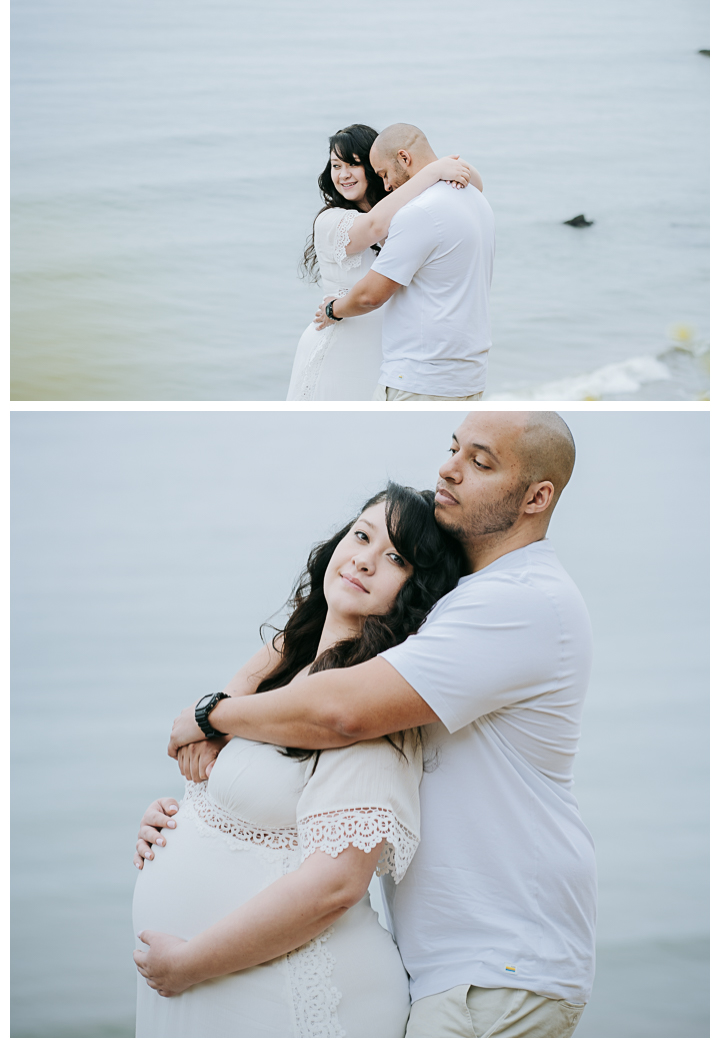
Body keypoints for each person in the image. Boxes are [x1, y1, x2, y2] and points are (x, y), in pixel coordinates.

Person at [157, 411, 597, 1038]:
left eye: (480, 461)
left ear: (537, 497)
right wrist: (197, 813)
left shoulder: (519, 602)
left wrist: (211, 716)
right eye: (452, 448)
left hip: (498, 964)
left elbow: (344, 712)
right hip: (452, 965)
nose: (448, 468)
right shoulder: (469, 594)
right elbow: (329, 635)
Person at [132, 484, 465, 1037]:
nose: (363, 558)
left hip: (285, 991)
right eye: (361, 536)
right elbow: (256, 804)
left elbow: (335, 885)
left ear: (416, 589)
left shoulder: (366, 713)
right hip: (220, 981)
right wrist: (180, 823)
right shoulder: (292, 672)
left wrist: (191, 964)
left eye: (395, 558)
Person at [286, 124, 482, 400]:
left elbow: (476, 183)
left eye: (353, 165)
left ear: (374, 167)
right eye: (335, 165)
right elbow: (373, 227)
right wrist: (433, 172)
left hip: (387, 355)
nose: (343, 175)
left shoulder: (403, 212)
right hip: (341, 346)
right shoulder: (330, 221)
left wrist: (435, 164)